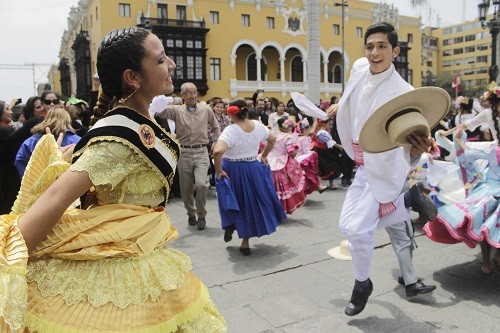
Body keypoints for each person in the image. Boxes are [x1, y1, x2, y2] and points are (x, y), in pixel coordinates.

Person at [0, 27, 226, 332]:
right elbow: (57, 197)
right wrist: (8, 259)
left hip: (145, 255)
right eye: (161, 60)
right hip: (120, 269)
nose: (172, 65)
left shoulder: (143, 120)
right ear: (132, 77)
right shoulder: (116, 140)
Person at [329, 22, 438, 316]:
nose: (375, 52)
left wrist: (416, 151)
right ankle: (403, 203)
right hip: (361, 167)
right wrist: (339, 106)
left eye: (382, 46)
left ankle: (362, 285)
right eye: (370, 46)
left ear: (395, 51)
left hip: (384, 168)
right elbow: (355, 95)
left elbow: (410, 141)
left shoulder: (403, 92)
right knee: (347, 227)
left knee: (357, 229)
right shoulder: (360, 68)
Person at [212, 98, 286, 255]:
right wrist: (264, 155)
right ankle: (245, 242)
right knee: (249, 204)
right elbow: (272, 139)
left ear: (231, 113)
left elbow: (217, 151)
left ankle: (230, 226)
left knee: (230, 201)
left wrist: (218, 171)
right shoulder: (257, 125)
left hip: (232, 170)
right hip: (252, 168)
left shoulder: (231, 130)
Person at [424, 127, 500, 274]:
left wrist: (458, 139)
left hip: (489, 192)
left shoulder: (494, 150)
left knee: (483, 226)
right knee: (493, 227)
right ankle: (497, 254)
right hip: (491, 191)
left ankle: (486, 263)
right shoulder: (494, 150)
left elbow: (469, 154)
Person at [156, 82, 221, 230]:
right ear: (183, 95)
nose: (192, 96)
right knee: (186, 188)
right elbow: (159, 112)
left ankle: (201, 215)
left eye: (194, 92)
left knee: (201, 184)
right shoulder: (176, 111)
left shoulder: (206, 110)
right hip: (184, 152)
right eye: (188, 93)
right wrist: (166, 99)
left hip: (201, 152)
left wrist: (216, 141)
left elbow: (216, 127)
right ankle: (191, 213)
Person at [15, 107, 81, 178]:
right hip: (70, 184)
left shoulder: (30, 142)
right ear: (68, 120)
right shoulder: (78, 141)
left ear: (46, 119)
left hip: (37, 184)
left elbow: (20, 161)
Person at [267, 116, 307, 214]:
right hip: (281, 163)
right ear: (288, 126)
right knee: (282, 187)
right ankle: (280, 210)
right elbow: (292, 153)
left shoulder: (272, 133)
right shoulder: (288, 137)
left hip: (268, 162)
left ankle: (271, 210)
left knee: (271, 188)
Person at [295, 118, 327, 194]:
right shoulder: (305, 139)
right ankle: (318, 186)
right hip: (303, 159)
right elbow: (306, 152)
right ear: (305, 129)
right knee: (310, 174)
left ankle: (318, 186)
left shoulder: (296, 137)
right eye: (309, 129)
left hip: (296, 159)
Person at [312, 118, 343, 190]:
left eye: (332, 125)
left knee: (331, 168)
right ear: (324, 124)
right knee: (322, 169)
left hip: (325, 152)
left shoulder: (325, 132)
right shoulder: (322, 133)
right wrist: (341, 147)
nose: (331, 126)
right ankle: (318, 185)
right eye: (329, 125)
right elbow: (330, 142)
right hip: (320, 153)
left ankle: (330, 184)